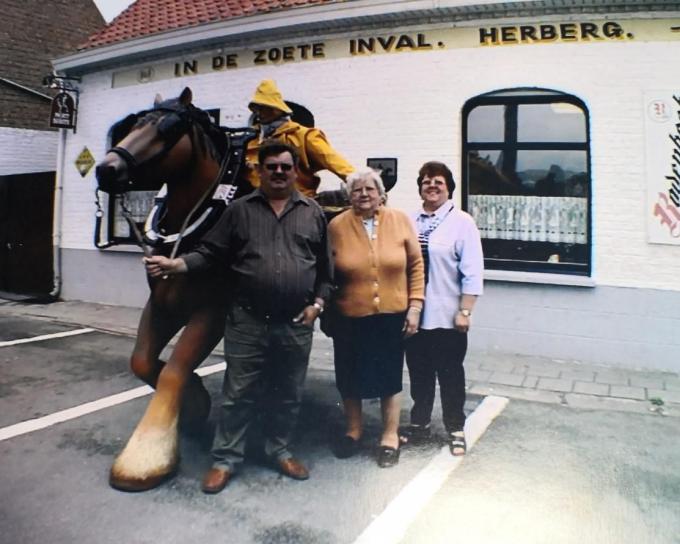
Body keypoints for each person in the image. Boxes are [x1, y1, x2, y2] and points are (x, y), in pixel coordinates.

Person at [144, 141, 331, 493]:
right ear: (260, 171)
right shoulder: (239, 211)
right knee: (237, 394)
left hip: (295, 323)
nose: (278, 172)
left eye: (285, 167)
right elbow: (210, 253)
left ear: (294, 171)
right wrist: (176, 264)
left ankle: (279, 449)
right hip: (248, 322)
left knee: (288, 393)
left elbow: (325, 270)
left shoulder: (313, 213)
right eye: (271, 166)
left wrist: (317, 305)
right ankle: (225, 460)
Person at [327, 168, 424, 467]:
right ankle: (353, 431)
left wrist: (415, 306)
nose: (364, 194)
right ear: (349, 195)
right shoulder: (336, 226)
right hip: (350, 315)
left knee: (389, 376)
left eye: (370, 189)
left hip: (391, 314)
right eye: (357, 190)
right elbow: (327, 270)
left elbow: (416, 265)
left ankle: (389, 436)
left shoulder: (400, 220)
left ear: (381, 194)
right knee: (349, 375)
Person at [402, 161, 484, 456]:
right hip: (415, 315)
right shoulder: (409, 220)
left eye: (438, 181)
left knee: (450, 374)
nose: (432, 186)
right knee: (419, 373)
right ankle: (419, 424)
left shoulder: (462, 222)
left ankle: (455, 427)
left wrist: (465, 310)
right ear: (420, 188)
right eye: (426, 181)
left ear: (449, 187)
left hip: (448, 316)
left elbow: (472, 270)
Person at [245, 79, 354, 197]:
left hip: (298, 203)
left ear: (275, 109)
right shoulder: (251, 140)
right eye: (256, 109)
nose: (258, 113)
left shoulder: (303, 136)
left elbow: (331, 159)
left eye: (262, 108)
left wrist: (360, 182)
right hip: (258, 203)